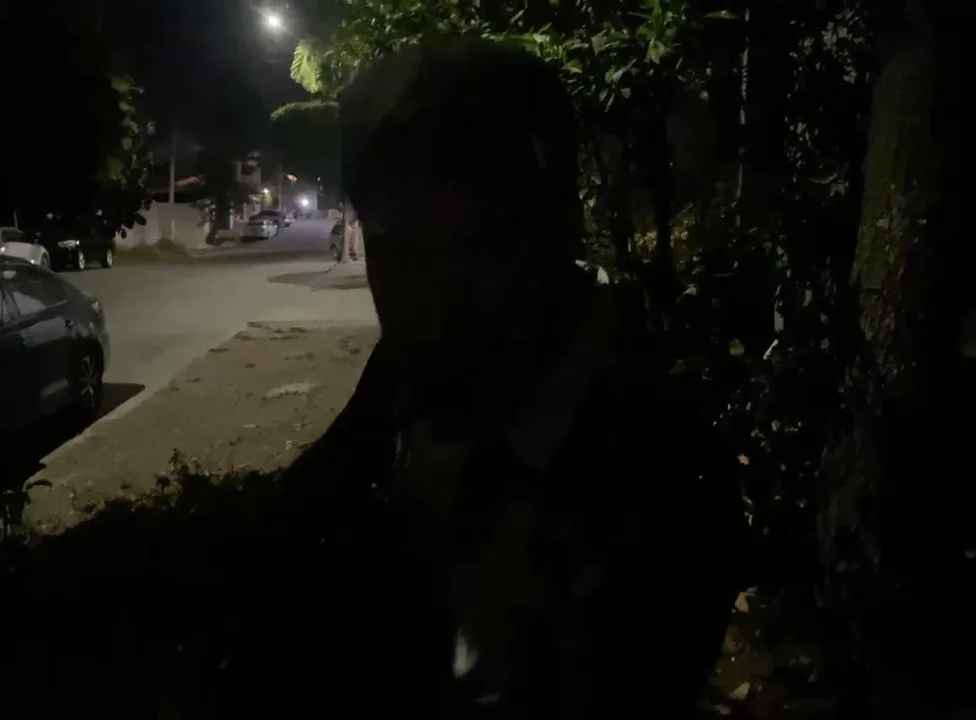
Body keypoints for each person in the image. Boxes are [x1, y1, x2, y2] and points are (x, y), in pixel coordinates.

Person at [278, 36, 748, 718]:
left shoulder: (661, 466)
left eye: (483, 249)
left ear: (559, 234)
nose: (435, 306)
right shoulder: (404, 386)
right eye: (400, 253)